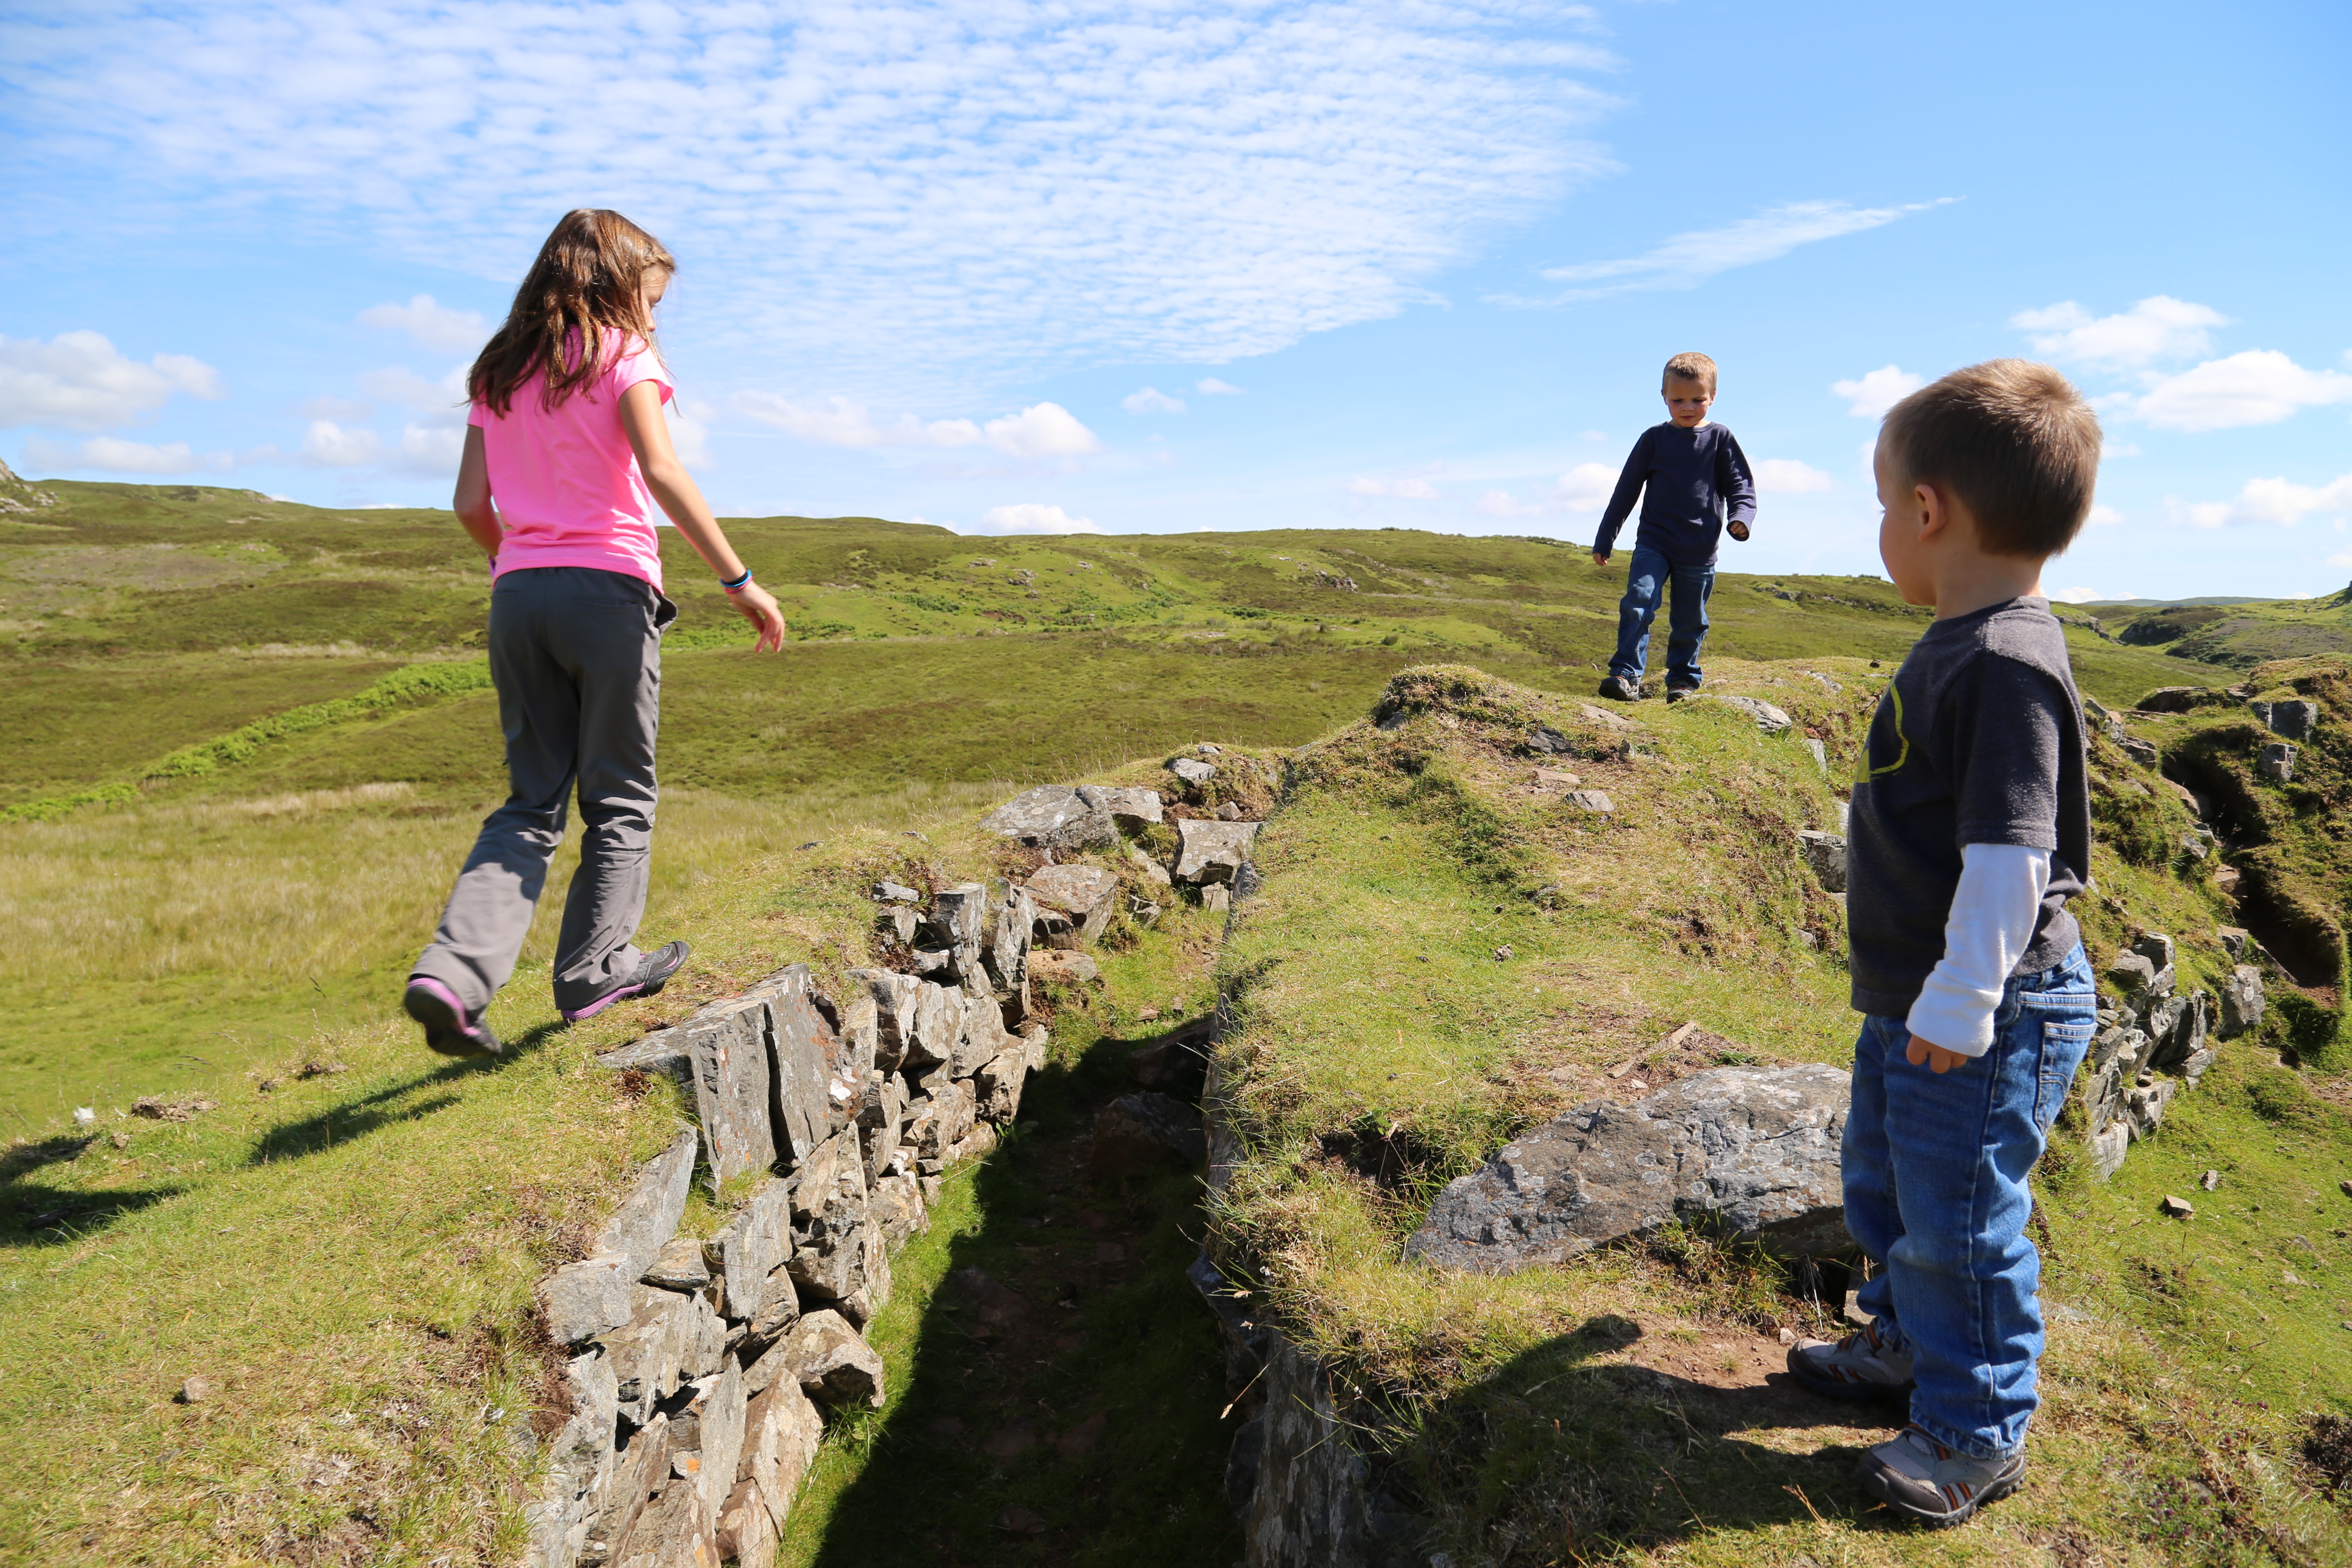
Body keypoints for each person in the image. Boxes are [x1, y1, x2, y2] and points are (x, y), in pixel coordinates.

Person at [1785, 359, 2101, 1528]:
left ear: (1928, 512)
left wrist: (1963, 1004)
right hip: (1923, 1001)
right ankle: (1905, 1349)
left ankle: (1976, 1432)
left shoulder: (2008, 663)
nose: (1880, 526)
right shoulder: (1969, 641)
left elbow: (2013, 857)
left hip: (1986, 1009)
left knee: (1963, 1220)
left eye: (1881, 502)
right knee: (1890, 1184)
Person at [402, 209, 787, 1059]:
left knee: (530, 799)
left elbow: (470, 505)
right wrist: (740, 580)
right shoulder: (625, 355)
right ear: (618, 283)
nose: (655, 317)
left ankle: (453, 974)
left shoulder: (498, 371)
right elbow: (661, 471)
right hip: (608, 591)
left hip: (517, 596)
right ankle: (595, 968)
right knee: (619, 792)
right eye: (652, 297)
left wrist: (523, 563)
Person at [1589, 351, 1756, 702]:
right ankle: (1626, 675)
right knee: (1638, 602)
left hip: (1699, 549)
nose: (1687, 407)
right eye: (1678, 399)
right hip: (1654, 542)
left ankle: (1682, 681)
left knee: (1690, 619)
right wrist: (1606, 538)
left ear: (1712, 397)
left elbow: (1741, 486)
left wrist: (1742, 518)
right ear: (1664, 397)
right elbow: (1626, 492)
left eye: (1698, 400)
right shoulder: (1653, 440)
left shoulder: (1720, 439)